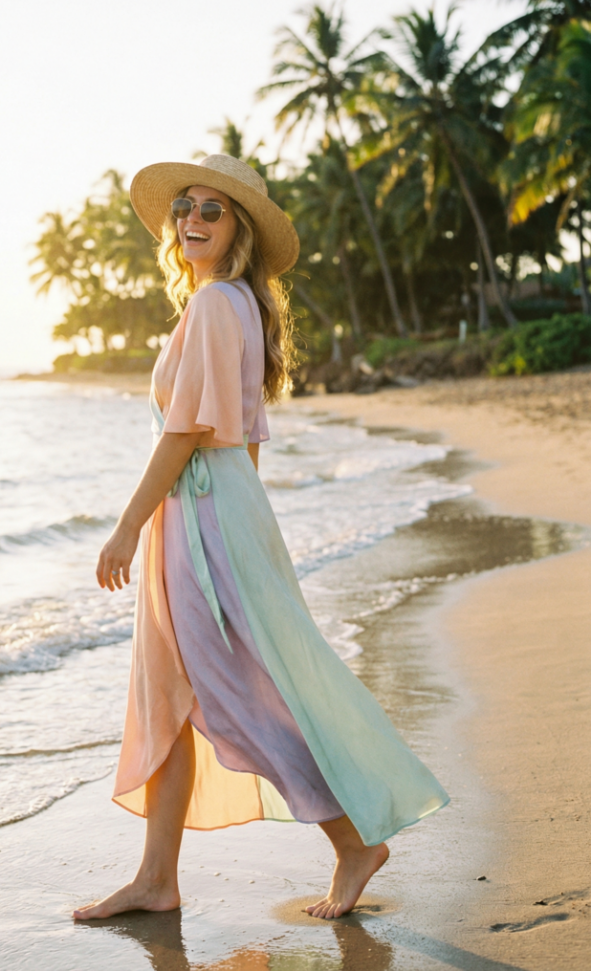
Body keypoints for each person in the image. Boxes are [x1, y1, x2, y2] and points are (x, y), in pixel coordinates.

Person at [73, 155, 448, 922]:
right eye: (185, 206)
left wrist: (126, 528)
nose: (193, 220)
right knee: (174, 697)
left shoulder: (215, 308)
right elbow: (244, 442)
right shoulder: (234, 304)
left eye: (212, 209)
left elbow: (185, 434)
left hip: (201, 518)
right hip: (218, 513)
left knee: (234, 696)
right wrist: (238, 528)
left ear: (237, 227)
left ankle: (351, 840)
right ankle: (156, 878)